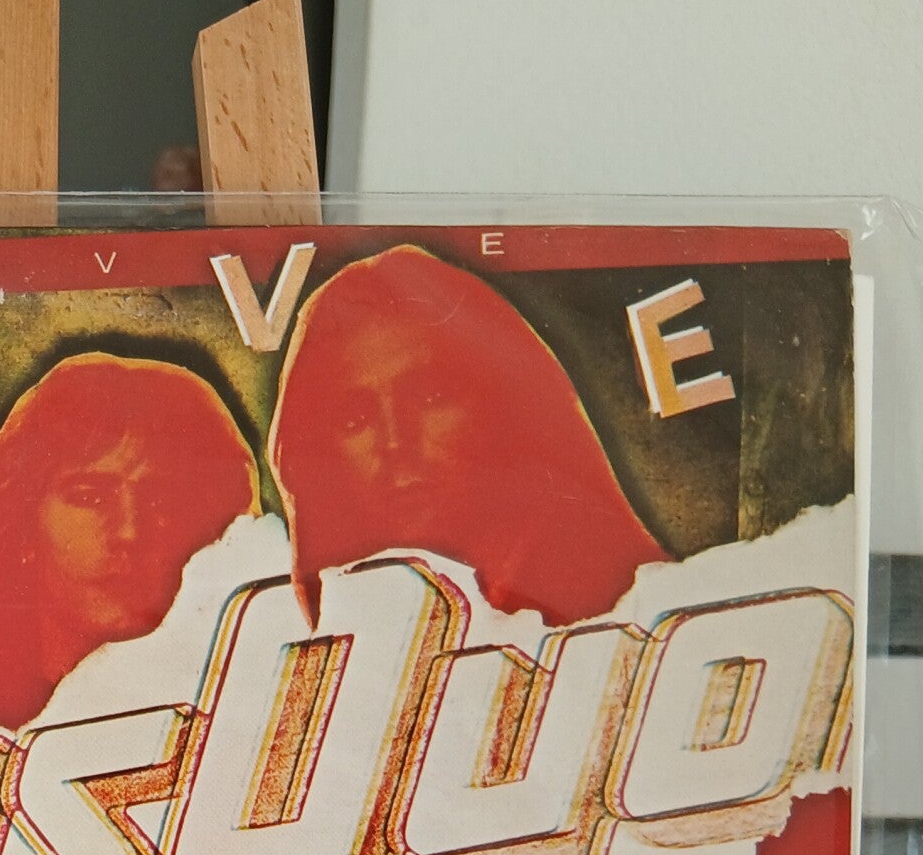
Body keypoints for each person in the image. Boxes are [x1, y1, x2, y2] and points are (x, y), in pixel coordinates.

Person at [269, 244, 668, 631]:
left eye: (431, 397)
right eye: (355, 420)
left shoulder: (632, 611)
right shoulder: (364, 631)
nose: (395, 442)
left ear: (503, 405)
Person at [0, 353, 261, 732]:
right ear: (23, 527)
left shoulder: (251, 709)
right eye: (91, 497)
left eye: (162, 501)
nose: (129, 532)